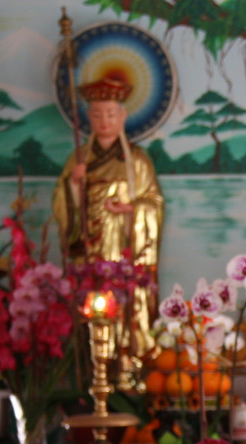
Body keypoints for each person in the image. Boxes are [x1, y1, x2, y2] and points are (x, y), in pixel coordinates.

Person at [53, 76, 164, 387]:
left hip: (125, 252)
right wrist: (73, 184)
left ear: (123, 116)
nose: (104, 121)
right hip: (91, 253)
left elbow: (153, 202)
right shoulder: (77, 161)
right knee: (90, 309)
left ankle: (128, 376)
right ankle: (89, 377)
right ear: (89, 117)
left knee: (128, 311)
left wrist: (132, 210)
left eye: (111, 114)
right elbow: (62, 207)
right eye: (98, 114)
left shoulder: (138, 162)